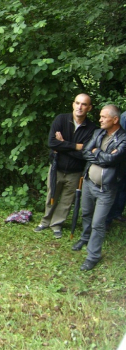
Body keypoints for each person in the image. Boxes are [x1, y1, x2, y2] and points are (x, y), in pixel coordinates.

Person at [33, 94, 96, 238]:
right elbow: (52, 143)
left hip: (75, 171)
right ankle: (45, 221)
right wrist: (76, 146)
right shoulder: (61, 119)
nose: (80, 107)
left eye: (84, 104)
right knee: (51, 194)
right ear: (73, 104)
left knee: (67, 200)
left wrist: (63, 145)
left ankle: (57, 224)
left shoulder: (92, 128)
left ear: (89, 108)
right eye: (77, 103)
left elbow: (85, 154)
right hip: (57, 167)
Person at [72, 104, 126, 271]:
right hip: (89, 182)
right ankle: (85, 237)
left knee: (98, 222)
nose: (100, 119)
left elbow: (112, 161)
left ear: (115, 120)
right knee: (86, 213)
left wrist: (97, 153)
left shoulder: (123, 139)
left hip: (106, 189)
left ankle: (93, 256)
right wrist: (100, 154)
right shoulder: (98, 132)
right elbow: (86, 152)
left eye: (104, 117)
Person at [104, 110, 126, 230]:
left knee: (122, 189)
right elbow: (118, 137)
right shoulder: (124, 117)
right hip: (120, 160)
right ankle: (107, 220)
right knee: (116, 188)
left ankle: (117, 213)